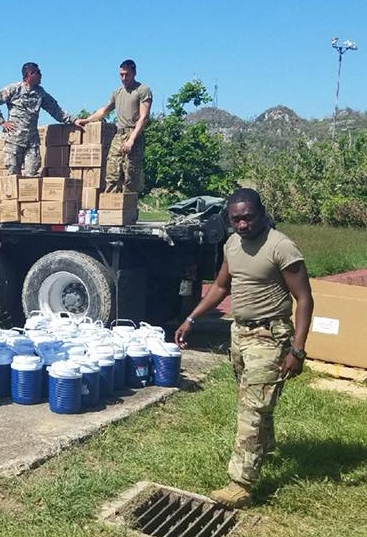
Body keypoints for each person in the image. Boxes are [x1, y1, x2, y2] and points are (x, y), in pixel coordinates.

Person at [175, 188, 314, 509]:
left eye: (248, 217)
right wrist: (191, 319)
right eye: (235, 219)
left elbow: (304, 299)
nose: (242, 224)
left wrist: (297, 350)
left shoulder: (281, 247)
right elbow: (222, 287)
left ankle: (241, 483)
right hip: (239, 336)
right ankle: (266, 448)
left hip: (271, 338)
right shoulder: (232, 244)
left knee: (251, 410)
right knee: (255, 403)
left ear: (262, 213)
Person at [0, 62, 84, 176]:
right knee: (13, 175)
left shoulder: (40, 93)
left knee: (31, 177)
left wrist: (74, 120)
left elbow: (56, 110)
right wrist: (2, 121)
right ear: (30, 74)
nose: (41, 75)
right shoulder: (14, 89)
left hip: (31, 141)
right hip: (14, 140)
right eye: (39, 72)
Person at [79, 59, 152, 193]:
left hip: (133, 134)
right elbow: (105, 109)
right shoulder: (118, 92)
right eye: (121, 75)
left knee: (130, 174)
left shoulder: (142, 90)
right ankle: (111, 207)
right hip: (118, 135)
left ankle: (128, 209)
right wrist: (87, 120)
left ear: (134, 73)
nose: (124, 78)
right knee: (112, 172)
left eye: (127, 74)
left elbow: (144, 117)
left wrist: (132, 139)